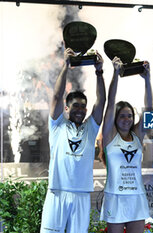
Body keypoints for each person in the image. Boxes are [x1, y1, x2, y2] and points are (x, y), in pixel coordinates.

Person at [40, 48, 106, 233]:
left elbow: (101, 102)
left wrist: (99, 71)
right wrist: (65, 65)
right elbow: (55, 96)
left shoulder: (90, 129)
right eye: (75, 105)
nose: (80, 109)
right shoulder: (57, 125)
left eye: (83, 106)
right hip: (57, 192)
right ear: (66, 109)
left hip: (81, 194)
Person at [99, 56, 153, 233]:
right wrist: (115, 73)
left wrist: (147, 80)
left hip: (136, 196)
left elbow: (150, 112)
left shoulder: (137, 135)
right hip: (115, 197)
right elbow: (109, 103)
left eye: (129, 115)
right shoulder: (109, 135)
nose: (126, 119)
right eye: (122, 115)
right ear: (115, 118)